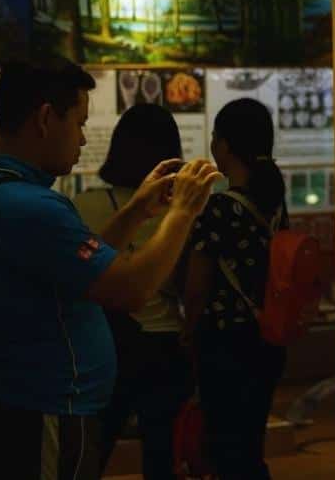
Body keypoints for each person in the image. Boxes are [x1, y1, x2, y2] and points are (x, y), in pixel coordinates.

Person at [0, 57, 221, 479]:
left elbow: (73, 271)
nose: (82, 138)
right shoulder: (30, 206)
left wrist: (136, 211)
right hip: (45, 412)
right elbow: (131, 289)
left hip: (11, 403)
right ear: (44, 118)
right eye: (78, 122)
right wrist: (183, 210)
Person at [73, 104, 192, 480]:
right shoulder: (180, 212)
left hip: (108, 344)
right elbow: (187, 282)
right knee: (162, 455)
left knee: (94, 447)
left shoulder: (87, 204)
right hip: (165, 343)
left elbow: (79, 275)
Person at [182, 98, 289, 480]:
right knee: (249, 441)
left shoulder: (219, 208)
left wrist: (188, 333)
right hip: (267, 337)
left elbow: (197, 285)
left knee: (227, 448)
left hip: (225, 341)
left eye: (215, 137)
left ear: (225, 146)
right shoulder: (275, 203)